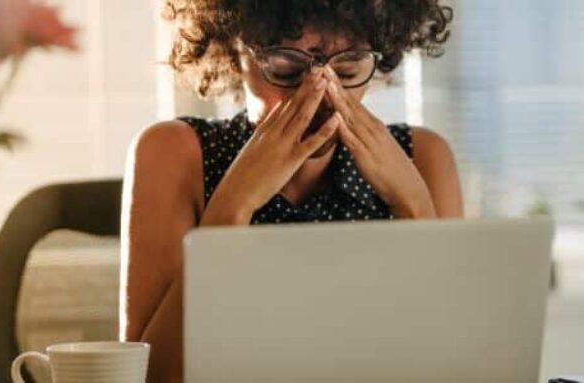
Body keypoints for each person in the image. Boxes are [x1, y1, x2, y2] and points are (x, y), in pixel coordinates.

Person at [121, 1, 461, 381]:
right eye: (286, 69)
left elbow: (457, 366)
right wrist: (234, 205)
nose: (321, 96)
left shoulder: (424, 157)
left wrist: (413, 205)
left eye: (348, 71)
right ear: (236, 51)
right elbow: (151, 375)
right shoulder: (173, 153)